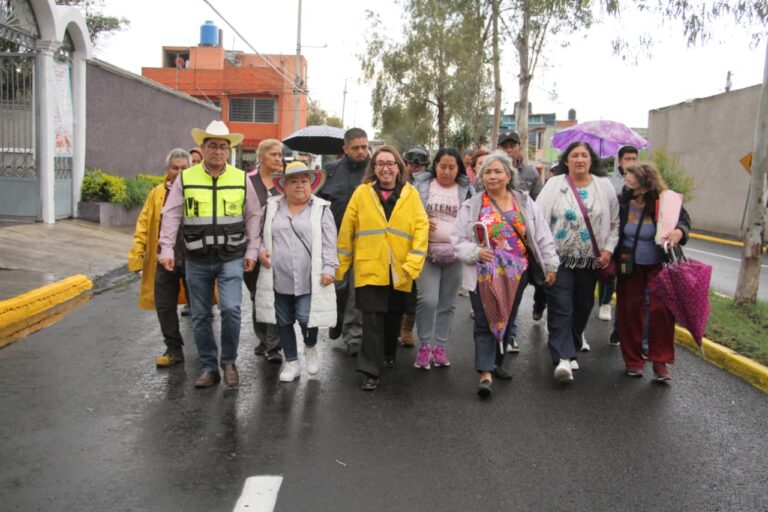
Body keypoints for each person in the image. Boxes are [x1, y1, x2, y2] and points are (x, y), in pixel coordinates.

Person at [159, 120, 261, 388]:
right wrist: (167, 248)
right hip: (196, 258)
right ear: (203, 149)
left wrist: (252, 249)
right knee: (201, 315)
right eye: (212, 145)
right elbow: (170, 214)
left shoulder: (240, 178)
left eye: (222, 146)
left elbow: (253, 215)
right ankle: (208, 366)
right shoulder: (187, 177)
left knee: (231, 308)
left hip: (231, 256)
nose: (217, 150)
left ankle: (228, 362)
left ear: (229, 151)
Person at [452, 150, 558, 398]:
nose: (492, 176)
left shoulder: (524, 202)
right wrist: (475, 251)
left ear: (509, 175)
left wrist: (551, 265)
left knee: (507, 318)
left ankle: (497, 362)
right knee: (484, 318)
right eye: (487, 172)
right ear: (481, 177)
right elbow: (456, 239)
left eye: (498, 171)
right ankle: (485, 372)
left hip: (516, 272)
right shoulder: (473, 205)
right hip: (483, 272)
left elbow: (541, 235)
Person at [336, 145, 429, 391]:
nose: (385, 168)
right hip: (370, 265)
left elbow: (421, 229)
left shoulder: (411, 194)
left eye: (390, 163)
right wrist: (341, 267)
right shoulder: (362, 193)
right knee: (372, 319)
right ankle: (370, 370)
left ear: (399, 168)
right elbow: (347, 229)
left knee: (393, 316)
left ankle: (388, 353)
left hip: (401, 267)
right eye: (380, 164)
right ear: (374, 168)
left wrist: (414, 262)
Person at [536, 141, 619, 383]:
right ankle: (562, 358)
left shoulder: (604, 187)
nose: (580, 159)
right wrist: (543, 254)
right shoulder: (554, 184)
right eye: (574, 156)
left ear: (591, 160)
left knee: (583, 306)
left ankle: (571, 346)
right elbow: (539, 220)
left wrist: (609, 250)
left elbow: (615, 223)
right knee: (561, 304)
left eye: (584, 155)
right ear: (566, 161)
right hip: (558, 258)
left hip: (590, 261)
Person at [256, 162, 338, 382]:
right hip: (278, 275)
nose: (299, 185)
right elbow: (259, 236)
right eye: (293, 181)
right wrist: (261, 251)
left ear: (311, 184)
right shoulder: (271, 207)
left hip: (308, 276)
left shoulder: (321, 209)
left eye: (304, 180)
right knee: (283, 320)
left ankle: (310, 347)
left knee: (304, 317)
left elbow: (331, 243)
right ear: (284, 185)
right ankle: (291, 362)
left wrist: (330, 268)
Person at [616, 162, 690, 381]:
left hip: (659, 264)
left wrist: (679, 231)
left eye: (631, 175)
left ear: (645, 179)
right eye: (626, 175)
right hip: (629, 264)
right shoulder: (624, 201)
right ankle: (634, 361)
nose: (627, 178)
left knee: (661, 312)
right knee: (629, 310)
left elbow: (684, 221)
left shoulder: (665, 200)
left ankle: (660, 361)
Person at [128, 148, 191, 367]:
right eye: (175, 167)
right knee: (164, 305)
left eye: (184, 168)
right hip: (165, 260)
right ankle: (173, 349)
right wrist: (137, 257)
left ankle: (207, 352)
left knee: (200, 308)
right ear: (167, 170)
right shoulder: (156, 194)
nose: (179, 172)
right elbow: (143, 225)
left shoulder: (198, 191)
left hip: (193, 260)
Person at [412, 148, 474, 369]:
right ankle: (424, 346)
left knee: (447, 304)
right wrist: (421, 222)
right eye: (442, 166)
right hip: (427, 253)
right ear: (435, 166)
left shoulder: (467, 190)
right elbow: (408, 214)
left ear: (458, 169)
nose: (447, 171)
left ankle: (440, 347)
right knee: (427, 300)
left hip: (455, 254)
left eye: (452, 167)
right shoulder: (420, 187)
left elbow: (474, 218)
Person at [317, 128, 370, 356]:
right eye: (356, 148)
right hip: (335, 241)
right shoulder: (330, 171)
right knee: (338, 288)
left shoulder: (374, 171)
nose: (362, 152)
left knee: (357, 291)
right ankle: (337, 319)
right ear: (345, 149)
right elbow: (318, 204)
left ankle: (353, 336)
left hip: (364, 241)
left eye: (364, 147)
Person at [497, 131, 547, 330]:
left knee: (539, 279)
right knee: (508, 288)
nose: (509, 150)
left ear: (519, 148)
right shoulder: (492, 170)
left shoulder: (531, 174)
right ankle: (511, 332)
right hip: (499, 238)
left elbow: (539, 203)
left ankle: (539, 302)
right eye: (504, 146)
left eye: (512, 146)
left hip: (526, 239)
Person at [245, 139, 284, 363]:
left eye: (280, 155)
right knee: (257, 295)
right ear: (260, 157)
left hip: (278, 248)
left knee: (276, 295)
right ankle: (263, 338)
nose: (278, 159)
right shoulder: (246, 181)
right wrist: (255, 248)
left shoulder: (284, 182)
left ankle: (273, 346)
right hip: (250, 247)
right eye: (273, 154)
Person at [599, 146, 639, 345]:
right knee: (613, 280)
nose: (631, 162)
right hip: (616, 244)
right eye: (627, 159)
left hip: (639, 251)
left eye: (634, 158)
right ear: (619, 161)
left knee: (638, 297)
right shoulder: (609, 181)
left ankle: (625, 331)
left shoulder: (643, 184)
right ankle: (607, 306)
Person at [399, 145, 431, 347]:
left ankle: (407, 329)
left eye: (420, 165)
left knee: (414, 291)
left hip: (421, 241)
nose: (415, 168)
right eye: (412, 164)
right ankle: (394, 326)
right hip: (398, 241)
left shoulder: (431, 185)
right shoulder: (396, 182)